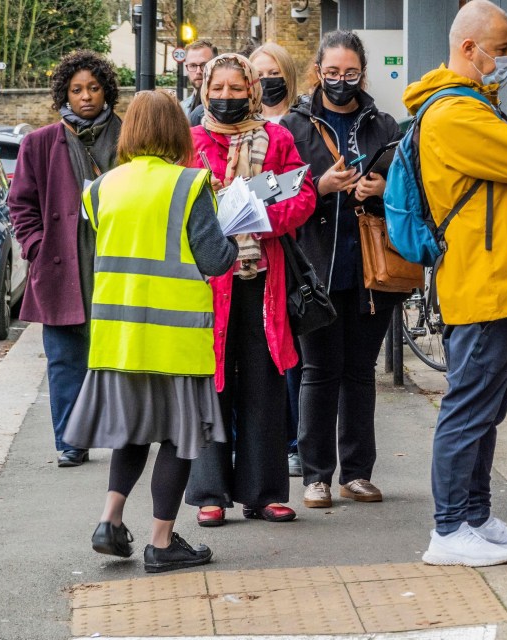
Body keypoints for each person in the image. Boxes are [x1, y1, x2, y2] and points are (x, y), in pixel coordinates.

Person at [402, 0, 507, 567]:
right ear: (469, 49)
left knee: (486, 409)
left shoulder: (472, 107)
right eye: (501, 48)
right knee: (468, 408)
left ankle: (475, 516)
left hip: (497, 277)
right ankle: (447, 531)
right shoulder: (454, 116)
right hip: (483, 281)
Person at [63, 90, 237, 573]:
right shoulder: (188, 184)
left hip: (119, 338)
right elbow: (215, 259)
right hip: (174, 339)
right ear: (177, 132)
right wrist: (232, 231)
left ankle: (110, 521)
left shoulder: (100, 189)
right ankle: (161, 542)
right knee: (179, 439)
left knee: (132, 434)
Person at [184, 53, 316, 527]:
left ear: (252, 90)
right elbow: (179, 204)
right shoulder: (191, 140)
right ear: (205, 90)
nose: (226, 97)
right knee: (211, 383)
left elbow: (301, 194)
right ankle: (208, 493)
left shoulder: (278, 137)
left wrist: (262, 219)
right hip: (207, 283)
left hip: (264, 281)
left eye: (237, 89)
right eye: (217, 88)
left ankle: (263, 492)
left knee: (263, 384)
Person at [281, 30, 402, 510]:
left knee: (359, 371)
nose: (340, 81)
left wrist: (382, 188)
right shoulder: (294, 126)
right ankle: (316, 476)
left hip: (373, 270)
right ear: (317, 71)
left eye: (350, 73)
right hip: (316, 271)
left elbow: (409, 187)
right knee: (318, 371)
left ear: (362, 73)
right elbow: (281, 194)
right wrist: (320, 184)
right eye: (332, 73)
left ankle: (357, 473)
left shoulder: (384, 123)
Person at [8, 50, 122, 468]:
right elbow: (21, 204)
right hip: (60, 265)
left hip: (114, 263)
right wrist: (36, 247)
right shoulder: (39, 142)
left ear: (106, 90)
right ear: (65, 95)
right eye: (77, 90)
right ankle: (70, 441)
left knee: (116, 358)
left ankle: (123, 433)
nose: (86, 97)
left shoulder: (127, 137)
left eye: (93, 88)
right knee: (64, 361)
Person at [249, 42, 303, 476]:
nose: (267, 80)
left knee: (292, 357)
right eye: (258, 72)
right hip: (244, 261)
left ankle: (294, 442)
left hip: (295, 253)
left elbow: (300, 188)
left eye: (273, 72)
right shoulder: (225, 129)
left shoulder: (297, 127)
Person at [250, 43, 299, 125]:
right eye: (259, 75)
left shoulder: (306, 120)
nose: (266, 79)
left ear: (288, 75)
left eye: (274, 73)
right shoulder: (246, 124)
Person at [181, 40, 218, 120]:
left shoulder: (224, 107)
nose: (198, 71)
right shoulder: (180, 110)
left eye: (204, 65)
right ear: (187, 68)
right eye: (193, 65)